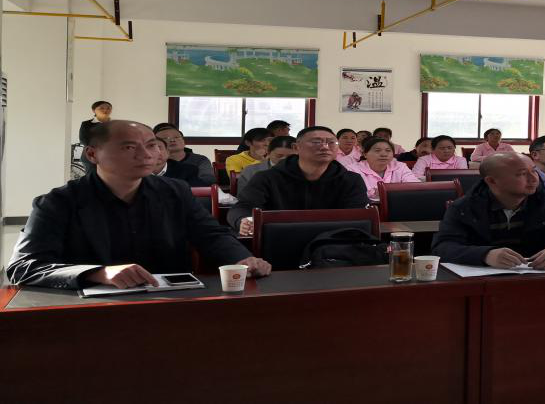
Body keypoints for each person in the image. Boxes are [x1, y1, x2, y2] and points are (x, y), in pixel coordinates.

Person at [6, 121, 271, 289]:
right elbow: (24, 267)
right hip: (91, 307)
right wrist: (98, 273)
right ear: (92, 154)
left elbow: (211, 235)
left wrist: (242, 259)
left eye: (152, 145)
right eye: (129, 147)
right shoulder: (58, 202)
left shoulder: (175, 191)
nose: (146, 155)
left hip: (169, 300)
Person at [431, 153, 545, 269]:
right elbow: (442, 247)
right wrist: (486, 255)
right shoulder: (464, 207)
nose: (533, 179)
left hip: (538, 278)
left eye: (534, 171)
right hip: (483, 281)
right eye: (522, 174)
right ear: (492, 181)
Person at [229, 126, 369, 235]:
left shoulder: (351, 180)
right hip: (280, 239)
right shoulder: (267, 178)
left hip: (332, 243)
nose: (325, 147)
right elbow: (243, 207)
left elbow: (357, 217)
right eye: (316, 142)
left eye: (331, 142)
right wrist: (243, 220)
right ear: (296, 147)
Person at [343, 137, 421, 201]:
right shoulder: (352, 169)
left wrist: (382, 192)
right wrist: (375, 193)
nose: (384, 154)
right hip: (366, 209)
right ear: (365, 154)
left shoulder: (400, 166)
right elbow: (351, 194)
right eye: (377, 150)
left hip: (398, 205)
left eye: (388, 150)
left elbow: (415, 186)